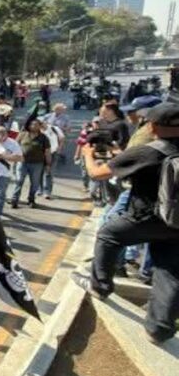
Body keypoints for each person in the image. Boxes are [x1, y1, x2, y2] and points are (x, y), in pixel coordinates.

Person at [73, 102, 179, 343]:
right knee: (170, 271)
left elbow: (97, 174)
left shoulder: (149, 151)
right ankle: (159, 328)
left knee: (109, 235)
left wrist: (89, 156)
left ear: (152, 126)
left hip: (144, 217)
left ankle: (99, 286)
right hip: (176, 224)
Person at [10, 119, 51, 209]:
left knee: (35, 183)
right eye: (32, 124)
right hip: (22, 162)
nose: (33, 126)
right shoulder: (23, 135)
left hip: (37, 164)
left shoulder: (44, 138)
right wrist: (13, 158)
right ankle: (14, 199)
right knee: (19, 181)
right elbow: (14, 146)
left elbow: (47, 152)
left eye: (36, 125)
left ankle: (31, 199)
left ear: (40, 126)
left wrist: (48, 164)